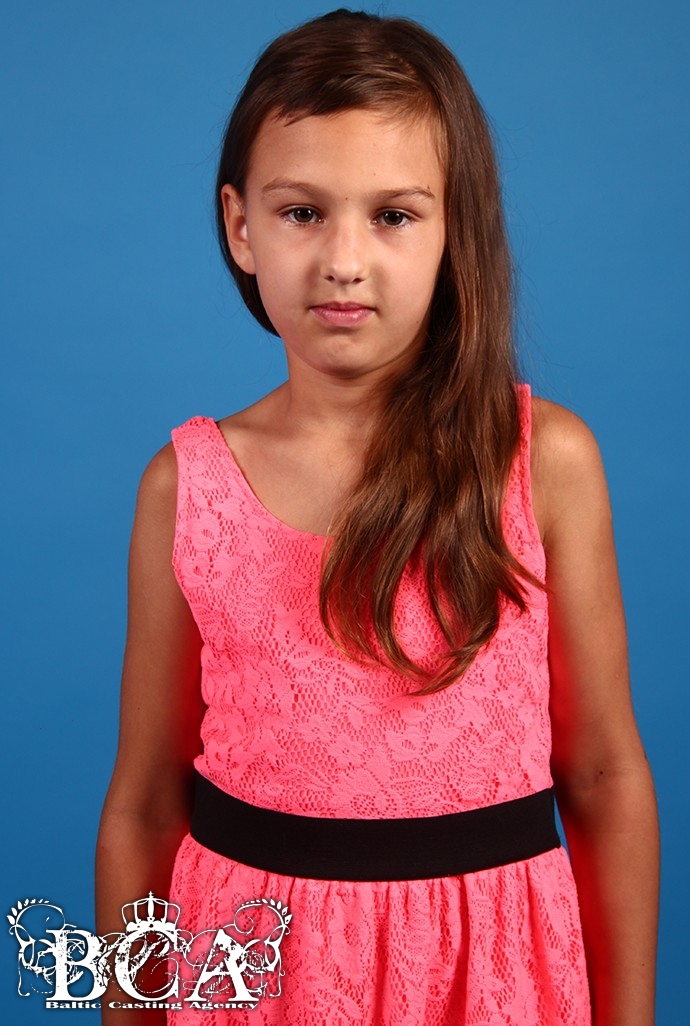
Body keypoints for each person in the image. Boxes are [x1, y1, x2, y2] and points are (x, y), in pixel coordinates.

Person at [96, 9, 659, 1025]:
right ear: (241, 227)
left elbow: (604, 773)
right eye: (302, 212)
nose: (343, 260)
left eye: (393, 215)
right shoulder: (187, 487)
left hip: (488, 978)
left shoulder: (543, 463)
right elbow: (143, 804)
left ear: (453, 228)